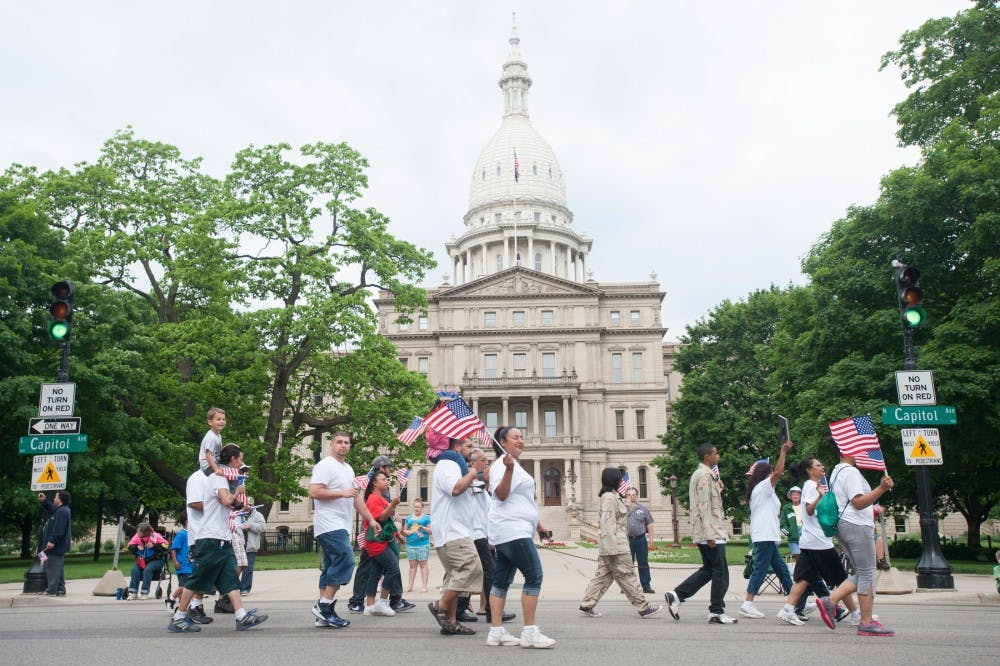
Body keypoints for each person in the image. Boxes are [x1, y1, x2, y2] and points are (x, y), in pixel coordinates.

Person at [167, 444, 268, 633]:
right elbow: (226, 499)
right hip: (211, 538)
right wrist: (237, 493)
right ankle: (179, 617)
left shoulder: (223, 478)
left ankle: (241, 616)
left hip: (223, 537)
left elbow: (230, 504)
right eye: (240, 460)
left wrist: (242, 506)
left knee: (230, 579)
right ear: (233, 460)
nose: (241, 464)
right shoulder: (218, 477)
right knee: (196, 580)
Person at [486, 427, 555, 649]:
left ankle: (496, 632)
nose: (521, 441)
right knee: (534, 575)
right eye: (515, 437)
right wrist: (507, 470)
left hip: (513, 530)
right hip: (512, 530)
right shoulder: (501, 466)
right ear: (502, 442)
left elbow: (522, 500)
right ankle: (529, 632)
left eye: (521, 437)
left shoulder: (514, 465)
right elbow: (502, 494)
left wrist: (538, 525)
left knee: (501, 580)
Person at [817, 438, 895, 637]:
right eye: (857, 449)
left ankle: (834, 602)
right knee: (867, 572)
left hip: (845, 526)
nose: (861, 453)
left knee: (862, 572)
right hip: (857, 526)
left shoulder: (836, 471)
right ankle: (863, 620)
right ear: (846, 449)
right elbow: (858, 502)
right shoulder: (850, 472)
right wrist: (882, 489)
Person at [308, 431, 380, 629]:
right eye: (339, 442)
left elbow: (355, 498)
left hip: (341, 524)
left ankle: (323, 615)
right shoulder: (325, 465)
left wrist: (371, 519)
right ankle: (324, 606)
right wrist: (343, 493)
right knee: (346, 560)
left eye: (346, 443)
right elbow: (314, 492)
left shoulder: (348, 469)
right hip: (329, 524)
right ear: (331, 444)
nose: (343, 446)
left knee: (331, 566)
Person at [775, 457, 858, 627]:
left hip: (810, 541)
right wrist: (820, 497)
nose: (822, 467)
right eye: (818, 465)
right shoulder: (812, 486)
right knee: (842, 580)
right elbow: (809, 510)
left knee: (803, 578)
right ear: (809, 470)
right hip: (819, 543)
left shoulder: (811, 486)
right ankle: (856, 615)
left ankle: (788, 609)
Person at [663, 444, 734, 624]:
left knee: (709, 570)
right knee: (721, 573)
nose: (718, 455)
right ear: (707, 456)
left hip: (708, 530)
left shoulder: (706, 475)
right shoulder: (703, 475)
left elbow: (708, 501)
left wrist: (718, 489)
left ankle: (677, 595)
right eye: (715, 453)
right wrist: (710, 534)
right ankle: (716, 611)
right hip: (711, 532)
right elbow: (704, 505)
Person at [580, 468, 663, 619]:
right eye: (619, 479)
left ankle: (586, 604)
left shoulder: (612, 497)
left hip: (612, 545)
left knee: (603, 576)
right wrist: (611, 549)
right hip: (616, 546)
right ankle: (643, 607)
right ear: (614, 480)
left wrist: (633, 502)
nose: (621, 482)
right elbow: (607, 524)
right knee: (627, 575)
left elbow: (622, 511)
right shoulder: (609, 499)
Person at [428, 436, 485, 637]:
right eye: (468, 446)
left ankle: (451, 622)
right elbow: (455, 488)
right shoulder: (448, 464)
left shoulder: (454, 465)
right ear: (457, 446)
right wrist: (471, 473)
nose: (472, 449)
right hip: (452, 531)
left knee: (454, 577)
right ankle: (440, 605)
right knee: (472, 567)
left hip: (458, 530)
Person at [455, 447, 516, 624]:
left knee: (474, 572)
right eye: (483, 461)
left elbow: (490, 509)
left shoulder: (478, 483)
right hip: (476, 535)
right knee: (490, 572)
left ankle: (462, 608)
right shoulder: (472, 481)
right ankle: (491, 610)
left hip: (481, 534)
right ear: (473, 463)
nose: (486, 463)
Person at [348, 455, 414, 614]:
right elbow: (380, 516)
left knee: (376, 569)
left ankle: (372, 603)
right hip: (376, 535)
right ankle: (385, 600)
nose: (390, 470)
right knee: (389, 566)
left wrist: (396, 528)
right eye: (388, 467)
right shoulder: (375, 492)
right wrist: (392, 506)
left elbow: (386, 514)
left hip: (382, 535)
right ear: (381, 468)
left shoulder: (381, 488)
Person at [740, 441, 795, 619]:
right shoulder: (763, 486)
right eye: (770, 472)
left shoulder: (763, 490)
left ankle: (796, 602)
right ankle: (748, 603)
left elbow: (777, 473)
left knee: (782, 570)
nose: (775, 475)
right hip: (764, 535)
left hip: (768, 535)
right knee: (760, 569)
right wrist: (783, 451)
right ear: (766, 474)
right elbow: (778, 472)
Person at [362, 471, 403, 617]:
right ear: (374, 483)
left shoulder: (380, 499)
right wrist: (392, 503)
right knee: (393, 568)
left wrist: (398, 534)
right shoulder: (373, 499)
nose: (386, 481)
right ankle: (382, 603)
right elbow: (381, 517)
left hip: (380, 541)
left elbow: (389, 521)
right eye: (383, 479)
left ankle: (370, 606)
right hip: (376, 542)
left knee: (375, 573)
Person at [183, 468, 213, 624]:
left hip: (213, 534)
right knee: (199, 576)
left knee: (210, 574)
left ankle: (240, 613)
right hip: (200, 536)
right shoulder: (197, 478)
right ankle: (182, 612)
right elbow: (194, 502)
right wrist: (218, 506)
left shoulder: (215, 478)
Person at [38, 491, 71, 597]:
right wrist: (44, 501)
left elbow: (59, 529)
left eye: (55, 498)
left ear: (60, 499)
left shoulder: (62, 512)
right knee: (58, 568)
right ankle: (60, 589)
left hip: (55, 546)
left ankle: (51, 590)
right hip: (56, 545)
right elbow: (51, 508)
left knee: (51, 567)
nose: (54, 499)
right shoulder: (60, 510)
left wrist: (52, 541)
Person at [127, 522, 169, 599]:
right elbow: (129, 546)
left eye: (139, 531)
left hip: (157, 560)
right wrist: (136, 547)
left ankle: (144, 592)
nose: (137, 532)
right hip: (143, 560)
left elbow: (166, 546)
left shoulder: (155, 536)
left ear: (145, 532)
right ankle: (133, 592)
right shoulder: (137, 537)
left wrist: (154, 546)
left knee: (147, 569)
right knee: (134, 569)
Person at [625, 487, 656, 593]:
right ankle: (628, 586)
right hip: (627, 540)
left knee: (643, 563)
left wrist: (651, 539)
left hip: (641, 539)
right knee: (628, 564)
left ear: (636, 496)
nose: (631, 497)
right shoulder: (622, 509)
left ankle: (646, 586)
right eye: (629, 495)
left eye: (633, 495)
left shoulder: (643, 509)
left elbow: (649, 524)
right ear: (626, 496)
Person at [402, 498, 431, 593]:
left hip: (423, 544)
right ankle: (410, 586)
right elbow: (404, 531)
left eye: (418, 507)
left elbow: (431, 531)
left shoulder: (426, 518)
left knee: (423, 565)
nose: (416, 508)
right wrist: (408, 532)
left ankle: (424, 586)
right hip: (410, 545)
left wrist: (423, 527)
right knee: (412, 566)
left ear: (422, 507)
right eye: (415, 506)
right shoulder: (409, 518)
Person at [239, 505, 266, 595]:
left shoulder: (258, 515)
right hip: (238, 545)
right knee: (234, 567)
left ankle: (244, 588)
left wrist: (250, 525)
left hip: (250, 545)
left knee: (248, 568)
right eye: (245, 506)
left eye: (249, 506)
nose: (247, 508)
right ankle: (232, 588)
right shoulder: (237, 514)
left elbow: (262, 527)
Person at [169, 512, 193, 609]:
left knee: (186, 586)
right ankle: (171, 599)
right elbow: (173, 549)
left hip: (190, 565)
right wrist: (175, 561)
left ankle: (182, 606)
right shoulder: (181, 534)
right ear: (187, 521)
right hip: (183, 565)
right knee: (187, 586)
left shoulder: (192, 533)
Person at [198, 407, 226, 477]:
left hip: (215, 463)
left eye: (223, 419)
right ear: (210, 422)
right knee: (229, 473)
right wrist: (216, 469)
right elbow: (208, 455)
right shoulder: (211, 437)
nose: (222, 421)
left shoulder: (218, 435)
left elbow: (218, 451)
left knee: (232, 468)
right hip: (208, 467)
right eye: (218, 419)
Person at [780, 486, 802, 562]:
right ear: (790, 496)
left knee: (806, 556)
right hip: (793, 537)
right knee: (797, 555)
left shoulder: (805, 506)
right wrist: (789, 533)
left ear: (800, 496)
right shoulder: (786, 508)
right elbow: (782, 524)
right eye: (793, 494)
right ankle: (799, 572)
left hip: (805, 534)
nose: (795, 496)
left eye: (797, 494)